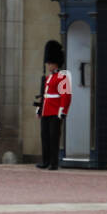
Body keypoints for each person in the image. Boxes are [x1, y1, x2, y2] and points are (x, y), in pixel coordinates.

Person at [36, 39, 71, 170]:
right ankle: (45, 161)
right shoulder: (49, 77)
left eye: (50, 63)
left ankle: (54, 163)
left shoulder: (62, 77)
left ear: (55, 64)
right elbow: (44, 95)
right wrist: (39, 109)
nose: (48, 65)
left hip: (55, 111)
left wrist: (63, 111)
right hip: (46, 110)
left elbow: (66, 95)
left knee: (53, 138)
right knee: (44, 137)